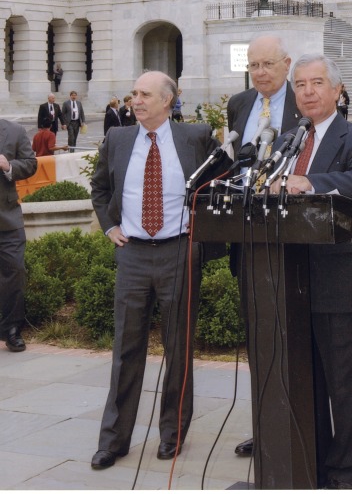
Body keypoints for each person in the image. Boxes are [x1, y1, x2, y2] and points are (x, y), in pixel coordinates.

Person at [89, 71, 228, 471]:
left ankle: (173, 434)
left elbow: (223, 181)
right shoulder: (118, 139)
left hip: (179, 252)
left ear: (168, 100)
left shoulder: (196, 137)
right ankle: (113, 440)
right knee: (125, 349)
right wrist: (109, 226)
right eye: (134, 93)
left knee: (178, 348)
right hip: (132, 254)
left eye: (145, 94)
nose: (137, 100)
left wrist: (203, 232)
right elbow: (100, 189)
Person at [275, 53, 352, 488]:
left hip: (336, 279)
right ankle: (311, 460)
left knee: (343, 382)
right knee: (305, 380)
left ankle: (346, 470)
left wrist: (311, 183)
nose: (308, 92)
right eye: (300, 85)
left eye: (317, 83)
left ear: (337, 90)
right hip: (289, 278)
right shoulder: (287, 140)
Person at [226, 33, 300, 458]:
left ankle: (298, 419)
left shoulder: (302, 101)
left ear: (286, 64)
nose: (260, 73)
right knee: (259, 334)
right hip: (246, 235)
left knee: (291, 333)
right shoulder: (239, 104)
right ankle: (265, 423)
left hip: (289, 235)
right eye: (253, 66)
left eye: (268, 64)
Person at [0, 120, 37, 352]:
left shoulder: (14, 131)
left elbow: (31, 164)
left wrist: (8, 166)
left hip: (8, 220)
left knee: (15, 271)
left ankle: (12, 329)